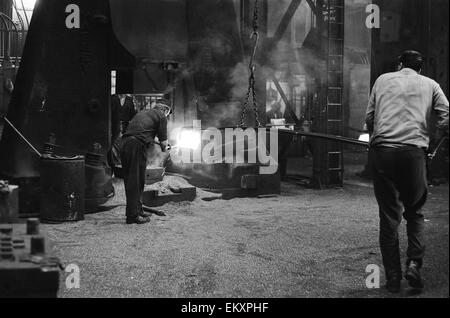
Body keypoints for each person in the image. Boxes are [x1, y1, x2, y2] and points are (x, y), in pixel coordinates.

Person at [365, 51, 449, 293]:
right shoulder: (431, 84)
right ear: (420, 69)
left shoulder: (382, 80)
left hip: (383, 154)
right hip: (413, 154)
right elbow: (447, 116)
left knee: (389, 216)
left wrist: (377, 136)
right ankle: (414, 263)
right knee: (415, 213)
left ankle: (392, 277)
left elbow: (370, 117)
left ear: (399, 65)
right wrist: (434, 141)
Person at [120, 103, 171, 224]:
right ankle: (132, 216)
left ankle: (138, 210)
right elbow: (164, 143)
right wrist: (167, 148)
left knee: (138, 180)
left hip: (126, 143)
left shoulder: (144, 113)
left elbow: (145, 134)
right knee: (135, 181)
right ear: (164, 109)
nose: (167, 116)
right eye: (167, 114)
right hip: (136, 145)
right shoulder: (161, 116)